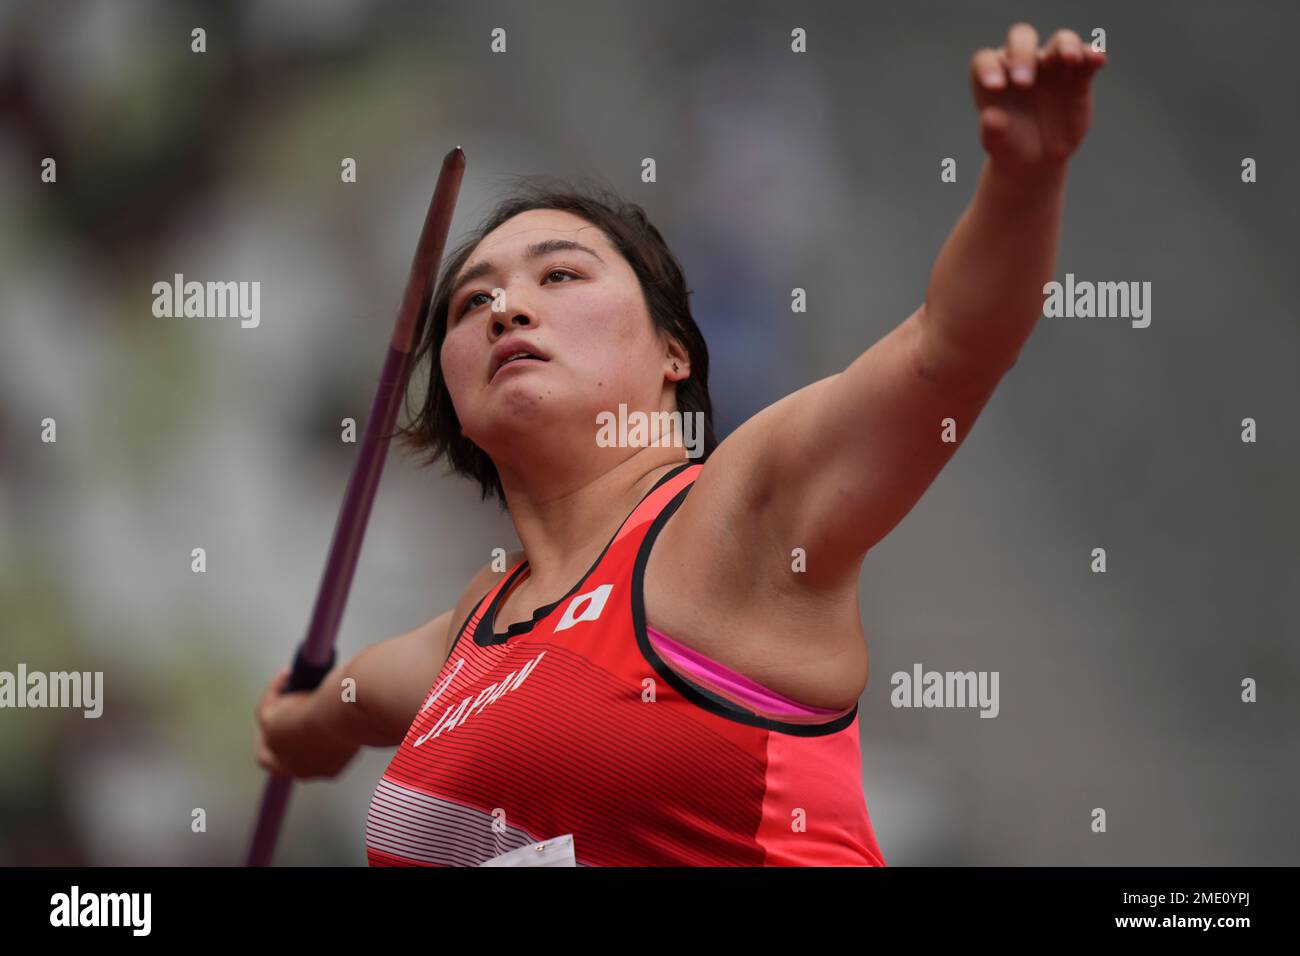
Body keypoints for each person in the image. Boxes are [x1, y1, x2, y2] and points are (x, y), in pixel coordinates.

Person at [255, 22, 1105, 866]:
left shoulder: (733, 518)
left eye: (559, 275)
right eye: (471, 303)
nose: (506, 308)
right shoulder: (473, 634)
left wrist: (1023, 184)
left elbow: (950, 349)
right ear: (455, 401)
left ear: (675, 351)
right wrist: (304, 727)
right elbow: (357, 697)